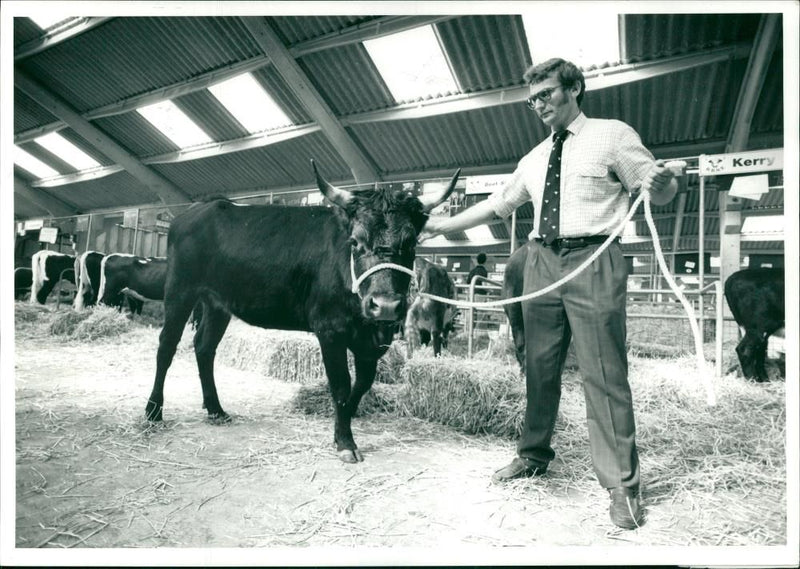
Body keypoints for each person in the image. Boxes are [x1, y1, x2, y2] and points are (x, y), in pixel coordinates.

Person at [420, 58, 677, 530]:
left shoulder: (613, 134)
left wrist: (664, 184)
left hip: (594, 257)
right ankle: (533, 455)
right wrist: (438, 226)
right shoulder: (534, 157)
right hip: (539, 261)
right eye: (533, 98)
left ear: (575, 88)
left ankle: (622, 485)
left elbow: (655, 190)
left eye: (547, 93)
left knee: (603, 371)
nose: (539, 104)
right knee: (537, 366)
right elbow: (499, 205)